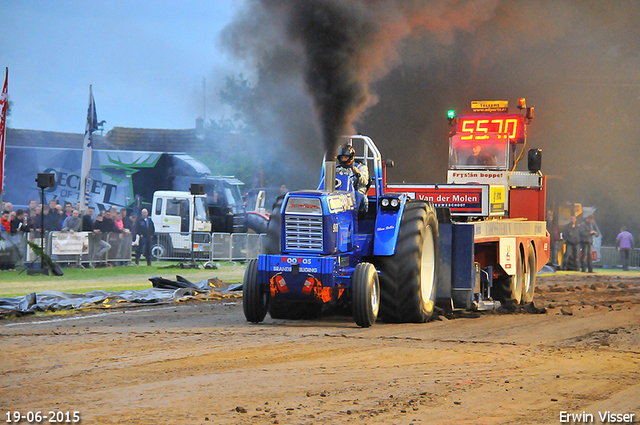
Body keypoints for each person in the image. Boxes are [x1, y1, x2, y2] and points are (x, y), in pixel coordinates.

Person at [336, 144, 369, 212]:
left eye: (345, 157)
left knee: (356, 194)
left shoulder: (361, 167)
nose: (343, 159)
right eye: (342, 157)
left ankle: (353, 216)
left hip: (357, 191)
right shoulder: (336, 168)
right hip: (340, 191)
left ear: (350, 157)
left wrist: (358, 173)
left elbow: (365, 182)